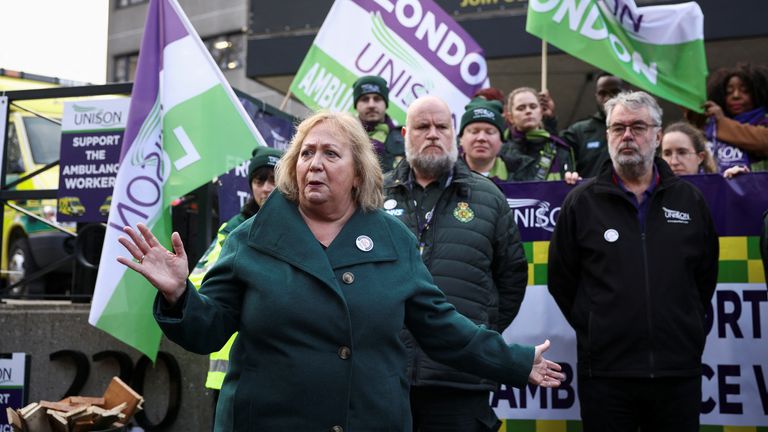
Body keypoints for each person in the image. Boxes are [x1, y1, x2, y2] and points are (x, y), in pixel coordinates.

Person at [117, 111, 564, 431]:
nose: (314, 163)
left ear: (357, 173)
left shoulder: (394, 240)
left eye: (331, 153)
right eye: (306, 153)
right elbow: (208, 330)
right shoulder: (252, 237)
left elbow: (444, 329)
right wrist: (180, 295)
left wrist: (515, 361)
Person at [548, 91, 719, 432]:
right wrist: (597, 325)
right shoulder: (580, 203)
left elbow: (704, 278)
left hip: (677, 372)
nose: (627, 136)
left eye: (637, 127)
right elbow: (562, 281)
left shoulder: (690, 200)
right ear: (607, 135)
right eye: (617, 128)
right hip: (607, 375)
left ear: (657, 135)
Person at [384, 95, 529, 431]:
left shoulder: (488, 196)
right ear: (406, 133)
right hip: (386, 377)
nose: (432, 134)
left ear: (454, 134)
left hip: (462, 380)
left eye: (441, 126)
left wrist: (477, 336)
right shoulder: (373, 194)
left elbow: (511, 278)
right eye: (422, 127)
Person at [188, 146, 284, 403]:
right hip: (230, 367)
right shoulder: (232, 230)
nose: (266, 188)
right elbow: (199, 283)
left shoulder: (301, 226)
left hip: (280, 368)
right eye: (259, 180)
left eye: (274, 180)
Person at [502, 87, 577, 182]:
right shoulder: (499, 151)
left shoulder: (560, 149)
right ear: (510, 117)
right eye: (521, 108)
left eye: (533, 106)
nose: (528, 111)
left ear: (541, 112)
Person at [704, 63, 768, 173]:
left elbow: (763, 140)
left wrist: (721, 122)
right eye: (729, 92)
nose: (736, 95)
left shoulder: (764, 119)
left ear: (758, 94)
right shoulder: (710, 126)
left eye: (745, 91)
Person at [561, 72, 627, 178]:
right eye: (602, 93)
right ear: (596, 96)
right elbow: (555, 150)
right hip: (591, 193)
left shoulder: (636, 128)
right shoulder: (579, 131)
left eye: (615, 92)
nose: (608, 98)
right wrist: (548, 120)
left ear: (626, 93)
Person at [352, 75, 405, 173]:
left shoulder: (404, 138)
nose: (371, 105)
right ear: (356, 105)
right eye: (365, 99)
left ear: (385, 103)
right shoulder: (344, 135)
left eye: (377, 99)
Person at [458, 99, 512, 182]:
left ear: (501, 140)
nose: (481, 138)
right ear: (461, 139)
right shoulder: (445, 176)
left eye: (489, 132)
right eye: (474, 131)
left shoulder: (522, 174)